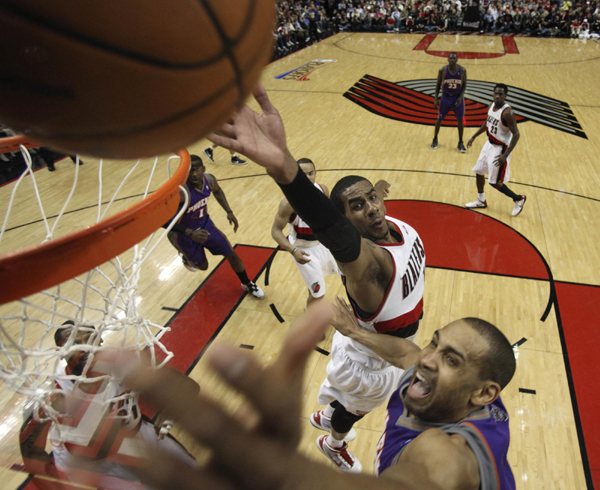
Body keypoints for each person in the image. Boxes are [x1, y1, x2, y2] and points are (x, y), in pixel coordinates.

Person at [209, 85, 425, 472]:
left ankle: (330, 417)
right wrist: (283, 167)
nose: (371, 209)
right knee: (355, 413)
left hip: (380, 343)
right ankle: (332, 441)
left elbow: (359, 211)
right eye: (356, 207)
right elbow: (331, 227)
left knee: (353, 405)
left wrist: (367, 194)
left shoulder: (397, 227)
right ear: (346, 222)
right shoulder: (366, 263)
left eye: (371, 199)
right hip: (371, 359)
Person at [105, 301, 516, 490]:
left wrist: (289, 477)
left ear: (484, 393)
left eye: (452, 360)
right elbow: (408, 353)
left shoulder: (446, 451)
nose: (428, 359)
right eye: (435, 343)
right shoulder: (452, 391)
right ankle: (331, 429)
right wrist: (356, 333)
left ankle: (330, 438)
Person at [19, 320, 197, 490]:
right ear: (62, 351)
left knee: (194, 475)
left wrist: (170, 409)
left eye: (89, 338)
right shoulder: (54, 396)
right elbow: (30, 449)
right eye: (75, 343)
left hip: (135, 433)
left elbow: (187, 386)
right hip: (97, 464)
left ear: (100, 340)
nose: (85, 346)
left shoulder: (122, 361)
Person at [167, 154, 264, 298]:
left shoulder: (209, 179)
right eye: (190, 171)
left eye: (196, 169)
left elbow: (218, 191)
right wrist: (189, 233)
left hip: (206, 226)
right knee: (203, 267)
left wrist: (229, 211)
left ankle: (247, 283)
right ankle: (184, 255)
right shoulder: (181, 192)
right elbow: (163, 221)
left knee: (231, 254)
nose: (193, 174)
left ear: (203, 169)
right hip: (184, 235)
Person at [270, 158, 338, 307]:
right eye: (302, 174)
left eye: (310, 173)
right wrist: (293, 251)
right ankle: (310, 321)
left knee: (351, 274)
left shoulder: (323, 190)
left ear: (315, 174)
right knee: (318, 294)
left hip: (324, 243)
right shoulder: (288, 204)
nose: (307, 178)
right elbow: (275, 231)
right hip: (304, 251)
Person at [465, 84, 526, 217]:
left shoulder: (507, 112)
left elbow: (516, 134)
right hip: (489, 144)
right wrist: (474, 136)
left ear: (505, 96)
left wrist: (505, 155)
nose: (497, 96)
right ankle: (481, 200)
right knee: (478, 171)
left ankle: (518, 199)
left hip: (500, 149)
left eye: (501, 94)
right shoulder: (491, 106)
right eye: (496, 94)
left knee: (494, 182)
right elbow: (487, 123)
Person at [432, 52, 468, 152]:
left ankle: (460, 142)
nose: (452, 60)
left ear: (457, 60)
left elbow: (464, 85)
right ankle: (435, 139)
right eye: (450, 58)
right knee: (439, 118)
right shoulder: (442, 70)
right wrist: (435, 98)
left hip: (457, 97)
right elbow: (438, 84)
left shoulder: (462, 70)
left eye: (454, 58)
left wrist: (460, 97)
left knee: (460, 120)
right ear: (448, 59)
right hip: (446, 97)